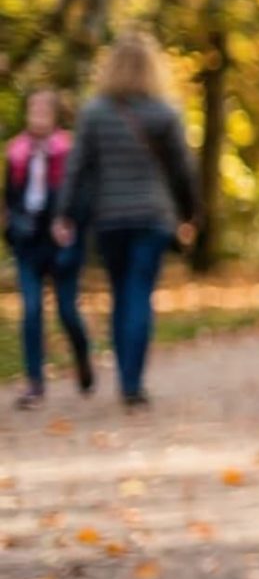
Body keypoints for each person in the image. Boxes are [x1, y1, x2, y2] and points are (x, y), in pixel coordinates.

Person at [65, 35, 199, 411]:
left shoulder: (95, 113)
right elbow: (182, 171)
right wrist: (190, 213)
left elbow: (78, 169)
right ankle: (132, 381)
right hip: (153, 216)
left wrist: (66, 214)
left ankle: (126, 372)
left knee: (120, 293)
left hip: (109, 218)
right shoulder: (164, 113)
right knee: (140, 293)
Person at [7, 90, 93, 408]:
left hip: (60, 242)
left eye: (44, 110)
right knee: (31, 311)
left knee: (67, 311)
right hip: (28, 243)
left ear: (55, 115)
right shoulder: (16, 152)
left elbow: (82, 198)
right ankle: (35, 383)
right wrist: (11, 230)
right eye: (33, 109)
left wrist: (70, 225)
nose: (38, 116)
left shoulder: (67, 150)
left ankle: (82, 356)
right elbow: (11, 197)